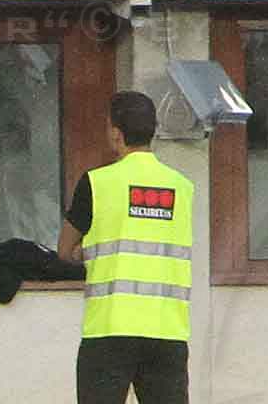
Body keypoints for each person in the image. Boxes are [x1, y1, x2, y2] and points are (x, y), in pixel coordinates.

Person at [64, 92, 200, 404]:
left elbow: (64, 250)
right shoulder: (182, 187)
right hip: (168, 331)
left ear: (115, 132)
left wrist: (89, 251)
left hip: (110, 329)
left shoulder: (97, 183)